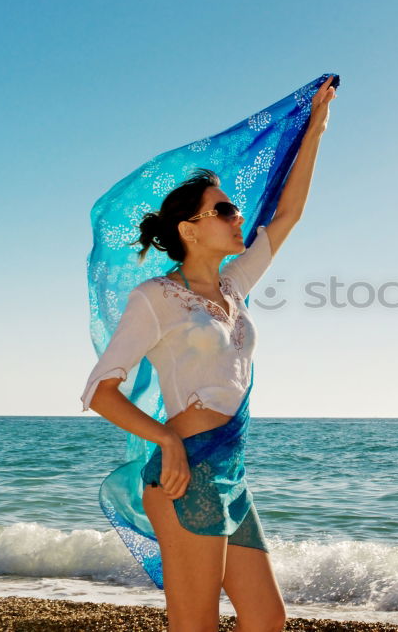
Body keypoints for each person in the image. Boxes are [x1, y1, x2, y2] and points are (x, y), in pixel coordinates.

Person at [82, 75, 337, 632]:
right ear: (190, 228)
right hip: (186, 472)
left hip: (231, 473)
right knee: (195, 624)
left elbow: (287, 216)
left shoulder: (233, 288)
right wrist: (167, 438)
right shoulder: (155, 298)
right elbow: (98, 393)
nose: (238, 216)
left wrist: (315, 126)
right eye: (224, 210)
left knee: (268, 621)